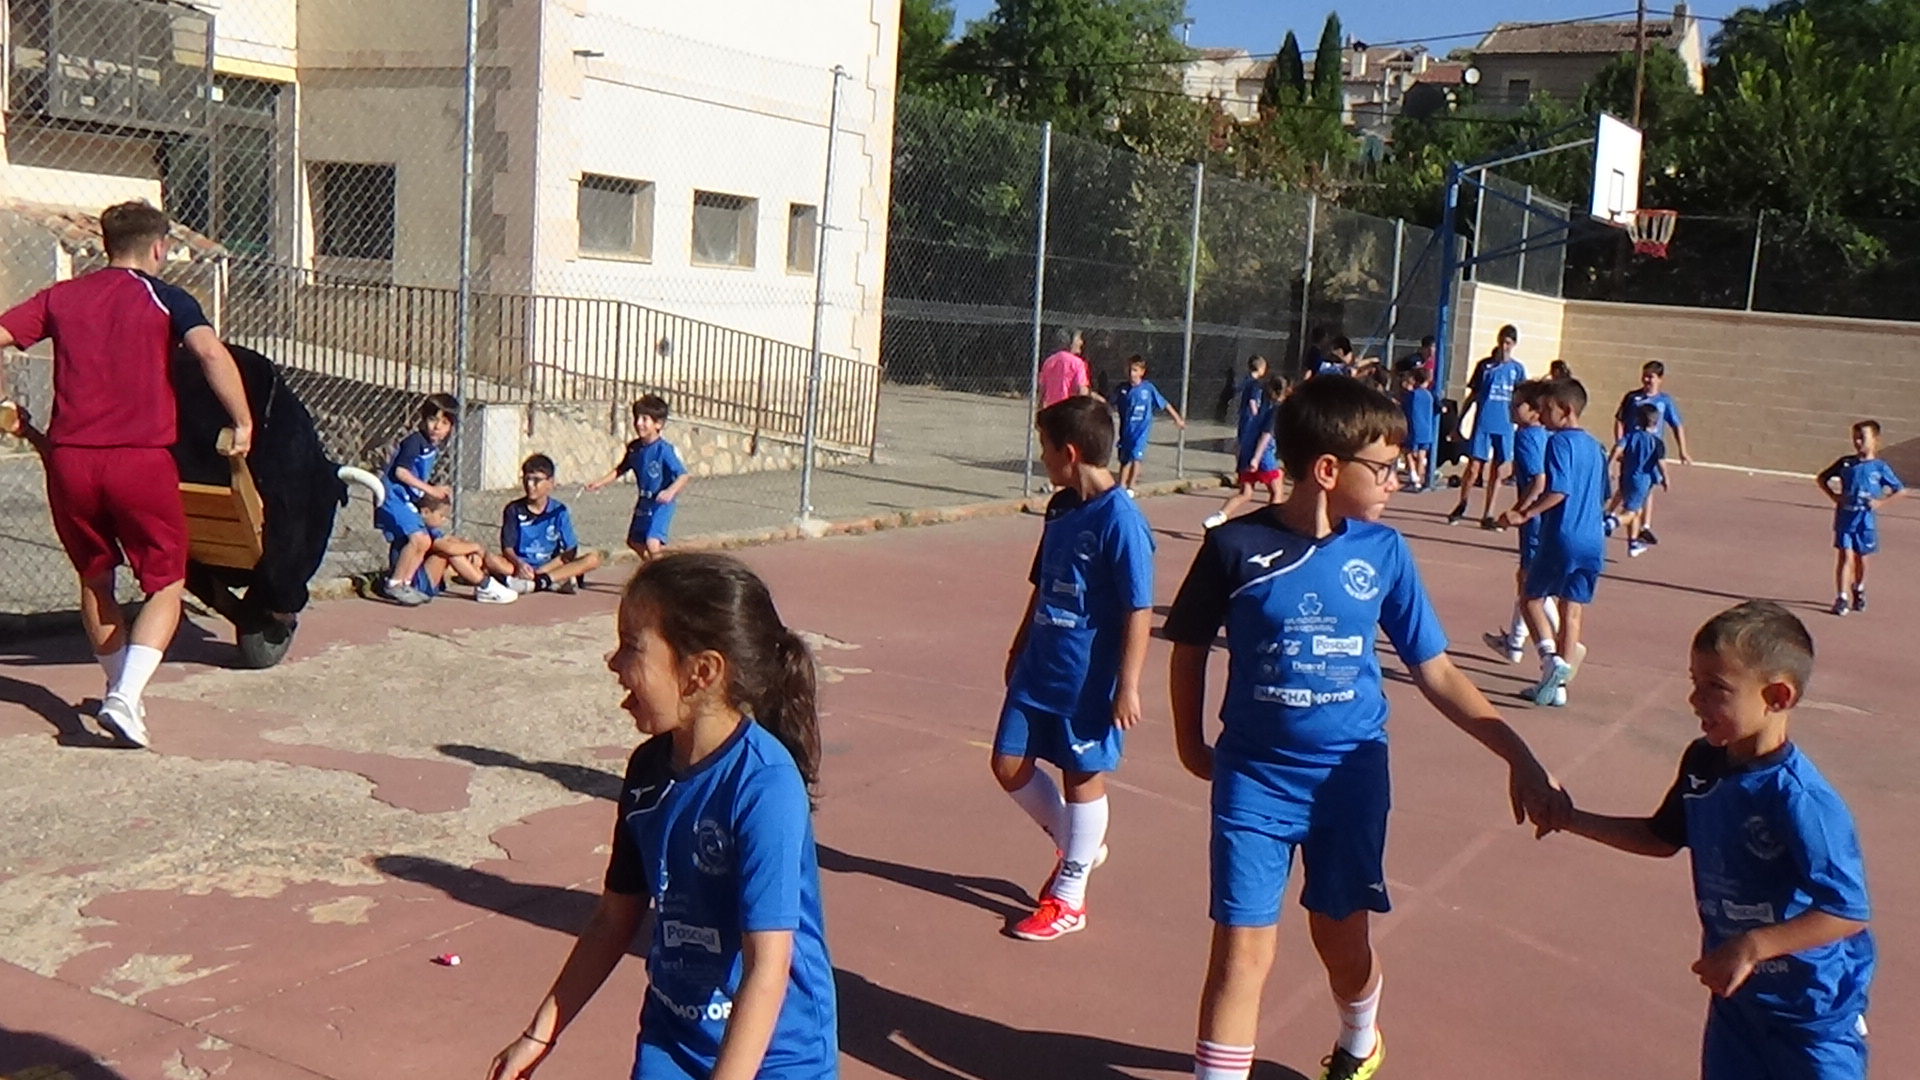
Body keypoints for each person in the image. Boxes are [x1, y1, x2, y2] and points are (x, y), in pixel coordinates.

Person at [1164, 375, 1566, 1080]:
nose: (1397, 480)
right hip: (1254, 780)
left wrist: (1517, 753)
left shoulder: (1384, 552)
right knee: (1240, 951)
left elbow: (1436, 671)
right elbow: (1189, 645)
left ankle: (1360, 1034)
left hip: (1348, 783)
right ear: (1328, 470)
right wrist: (1189, 740)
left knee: (1340, 942)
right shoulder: (1234, 547)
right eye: (1383, 467)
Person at [488, 553, 838, 1080]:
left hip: (776, 1056)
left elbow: (767, 966)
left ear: (701, 672)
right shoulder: (647, 771)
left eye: (631, 646)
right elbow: (614, 917)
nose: (613, 663)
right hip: (673, 1042)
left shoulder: (765, 786)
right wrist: (539, 1034)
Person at [1551, 601, 1873, 1080]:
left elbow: (1845, 910)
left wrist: (1754, 945)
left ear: (1777, 696)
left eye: (1715, 688)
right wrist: (1570, 818)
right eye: (1694, 682)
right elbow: (1660, 837)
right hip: (1738, 1004)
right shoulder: (1703, 763)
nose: (1695, 700)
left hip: (1810, 1015)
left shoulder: (1800, 799)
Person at [0, 201, 253, 748]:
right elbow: (210, 353)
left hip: (70, 461)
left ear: (105, 245)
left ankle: (122, 695)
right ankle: (124, 696)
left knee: (95, 578)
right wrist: (242, 420)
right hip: (139, 459)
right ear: (159, 247)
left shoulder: (61, 297)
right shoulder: (166, 296)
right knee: (166, 581)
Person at [993, 395, 1154, 941]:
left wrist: (1128, 685)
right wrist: (1019, 645)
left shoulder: (1121, 520)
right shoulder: (1060, 508)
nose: (1041, 459)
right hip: (1040, 664)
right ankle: (1078, 843)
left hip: (1087, 678)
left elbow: (1138, 607)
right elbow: (1041, 584)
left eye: (1045, 449)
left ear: (1070, 452)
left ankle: (1069, 897)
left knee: (1081, 774)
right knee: (1007, 763)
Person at [1501, 378, 1605, 708]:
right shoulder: (1596, 447)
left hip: (1562, 535)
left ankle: (1549, 659)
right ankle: (1558, 688)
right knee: (1571, 609)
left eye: (1548, 409)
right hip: (1593, 538)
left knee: (1530, 597)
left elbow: (1559, 490)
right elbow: (1602, 493)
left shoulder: (1559, 442)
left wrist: (1525, 513)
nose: (1542, 415)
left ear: (1567, 410)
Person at [374, 394, 508, 605]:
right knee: (419, 539)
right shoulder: (414, 442)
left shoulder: (431, 446)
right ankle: (394, 584)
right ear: (423, 419)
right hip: (394, 499)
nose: (437, 427)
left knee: (424, 541)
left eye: (444, 422)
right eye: (433, 419)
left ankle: (406, 583)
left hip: (406, 500)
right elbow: (401, 472)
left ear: (451, 427)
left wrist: (430, 491)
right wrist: (430, 490)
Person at [1486, 380, 1562, 673]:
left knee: (1532, 585)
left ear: (1534, 411)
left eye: (1517, 404)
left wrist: (1521, 511)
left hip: (1535, 521)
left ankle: (1558, 642)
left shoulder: (1526, 436)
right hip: (1544, 519)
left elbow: (1539, 480)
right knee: (1526, 578)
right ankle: (1515, 643)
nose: (1511, 408)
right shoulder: (1543, 434)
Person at [1815, 420, 1905, 617]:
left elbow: (1899, 489)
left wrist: (1880, 502)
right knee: (1845, 555)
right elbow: (1822, 478)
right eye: (1855, 438)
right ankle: (1842, 597)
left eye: (1862, 438)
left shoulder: (1880, 467)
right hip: (1845, 518)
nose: (1857, 442)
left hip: (1866, 521)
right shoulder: (1846, 463)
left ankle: (1859, 587)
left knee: (1861, 559)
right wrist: (1834, 496)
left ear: (1875, 440)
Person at [587, 395, 689, 561]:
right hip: (644, 501)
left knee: (652, 542)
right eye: (637, 418)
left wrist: (670, 492)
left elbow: (683, 475)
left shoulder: (664, 450)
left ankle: (661, 571)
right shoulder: (635, 448)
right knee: (634, 541)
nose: (639, 423)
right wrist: (600, 482)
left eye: (645, 419)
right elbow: (621, 469)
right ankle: (652, 566)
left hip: (661, 504)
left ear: (658, 424)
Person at [1446, 325, 1526, 530]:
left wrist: (1523, 424)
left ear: (1514, 344)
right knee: (1474, 467)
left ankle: (1488, 513)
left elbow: (1522, 399)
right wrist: (1460, 422)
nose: (1504, 346)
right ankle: (1462, 502)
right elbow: (1473, 396)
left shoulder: (1517, 370)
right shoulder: (1485, 366)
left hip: (1505, 425)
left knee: (1497, 470)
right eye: (1502, 341)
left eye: (1508, 343)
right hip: (1483, 423)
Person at [497, 454, 601, 594]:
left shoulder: (559, 510)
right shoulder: (513, 509)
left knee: (593, 559)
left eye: (536, 480)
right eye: (527, 479)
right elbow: (507, 548)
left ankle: (540, 581)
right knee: (489, 560)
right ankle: (551, 582)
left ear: (550, 482)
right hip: (520, 567)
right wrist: (520, 564)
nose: (530, 485)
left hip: (549, 567)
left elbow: (571, 550)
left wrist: (543, 571)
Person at [1613, 360, 1692, 544]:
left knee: (1647, 487)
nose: (1647, 380)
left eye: (1651, 377)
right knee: (1628, 485)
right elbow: (1619, 420)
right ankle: (1613, 516)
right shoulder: (1632, 397)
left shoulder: (1665, 401)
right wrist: (1619, 444)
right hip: (1633, 449)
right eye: (1645, 376)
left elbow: (1677, 425)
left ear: (1660, 379)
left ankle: (1643, 527)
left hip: (1651, 452)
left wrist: (1683, 450)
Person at [389, 494, 515, 603]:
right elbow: (447, 548)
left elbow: (451, 540)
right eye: (441, 515)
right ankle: (485, 584)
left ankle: (487, 578)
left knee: (457, 546)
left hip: (420, 578)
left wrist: (472, 551)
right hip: (413, 584)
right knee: (449, 553)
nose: (444, 520)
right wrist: (475, 547)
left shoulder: (426, 528)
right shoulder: (418, 530)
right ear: (426, 512)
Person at [1205, 376, 1287, 529]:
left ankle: (1219, 517)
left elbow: (1247, 435)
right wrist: (1256, 458)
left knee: (1245, 493)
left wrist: (1241, 454)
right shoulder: (1276, 411)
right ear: (1285, 391)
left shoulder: (1260, 410)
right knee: (1276, 492)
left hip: (1246, 453)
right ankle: (1271, 527)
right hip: (1262, 456)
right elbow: (1266, 435)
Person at [1112, 355, 1186, 494]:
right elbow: (1109, 403)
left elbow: (1165, 404)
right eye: (1129, 370)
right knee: (1125, 460)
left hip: (1141, 431)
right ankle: (1121, 486)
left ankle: (1131, 486)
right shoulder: (1122, 389)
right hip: (1126, 432)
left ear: (1142, 372)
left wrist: (1177, 418)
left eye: (1135, 370)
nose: (1131, 373)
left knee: (1136, 457)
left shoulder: (1148, 389)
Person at [1607, 403, 1670, 559]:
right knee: (1631, 512)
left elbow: (1617, 449)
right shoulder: (1656, 442)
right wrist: (1665, 478)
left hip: (1626, 477)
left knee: (1637, 511)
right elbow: (1661, 463)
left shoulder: (1630, 436)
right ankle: (1608, 523)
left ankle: (1633, 544)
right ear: (1656, 422)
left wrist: (1609, 465)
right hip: (1642, 481)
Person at [1397, 366, 1436, 492]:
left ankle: (1413, 475)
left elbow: (1404, 407)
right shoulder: (1429, 395)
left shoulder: (1412, 395)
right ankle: (1418, 480)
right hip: (1427, 428)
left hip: (1414, 426)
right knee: (1421, 455)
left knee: (1407, 451)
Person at [1037, 328, 1092, 408]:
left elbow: (1042, 391)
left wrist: (1040, 409)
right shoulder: (1077, 363)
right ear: (1070, 342)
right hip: (1069, 409)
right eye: (1078, 339)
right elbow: (1082, 391)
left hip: (1052, 408)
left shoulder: (1049, 361)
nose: (1081, 342)